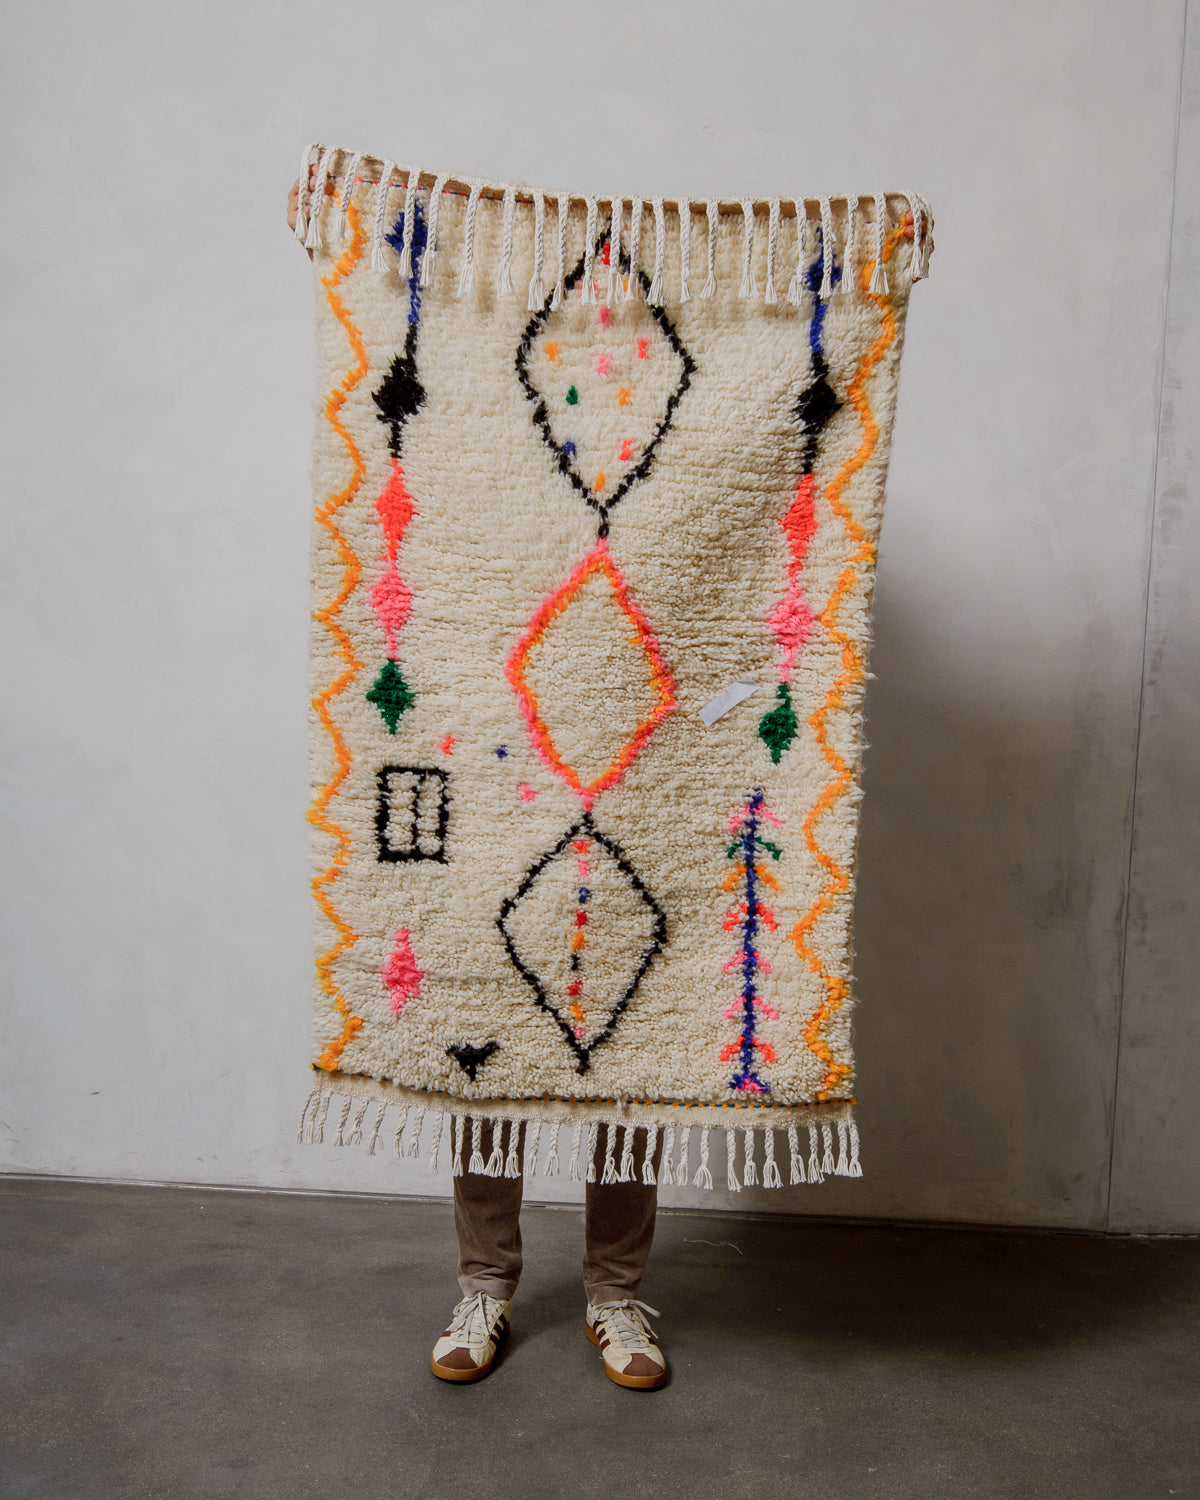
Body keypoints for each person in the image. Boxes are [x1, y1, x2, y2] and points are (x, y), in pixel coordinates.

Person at [287, 174, 669, 1390]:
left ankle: (618, 1297)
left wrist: (868, 275)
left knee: (639, 1023)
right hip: (499, 742)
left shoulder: (668, 447)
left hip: (641, 750)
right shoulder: (492, 439)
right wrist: (344, 235)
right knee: (490, 1021)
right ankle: (483, 1289)